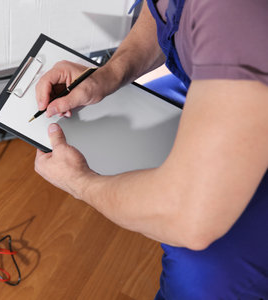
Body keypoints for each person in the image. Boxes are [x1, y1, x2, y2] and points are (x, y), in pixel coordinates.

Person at [34, 0, 268, 298]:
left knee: (200, 275)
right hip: (234, 83)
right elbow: (162, 12)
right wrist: (111, 73)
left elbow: (188, 218)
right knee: (132, 115)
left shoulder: (231, 13)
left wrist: (82, 183)